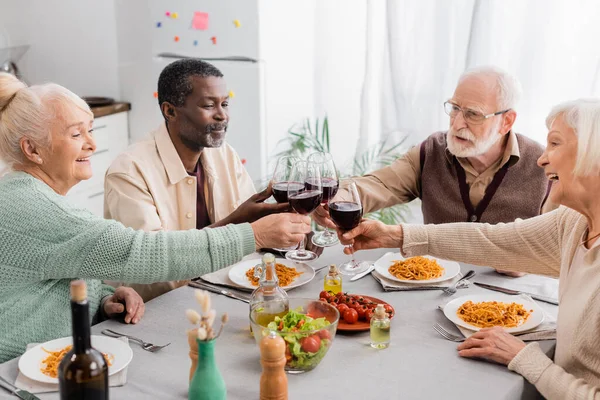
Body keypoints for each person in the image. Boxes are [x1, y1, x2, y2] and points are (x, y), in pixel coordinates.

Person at [0, 72, 310, 362]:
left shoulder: (23, 193)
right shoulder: (32, 204)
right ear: (32, 149)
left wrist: (104, 298)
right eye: (76, 134)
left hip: (51, 356)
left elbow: (48, 281)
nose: (92, 144)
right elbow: (141, 252)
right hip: (20, 372)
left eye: (90, 130)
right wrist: (252, 235)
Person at [337, 98, 600, 399]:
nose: (543, 159)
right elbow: (492, 240)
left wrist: (527, 359)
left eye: (555, 143)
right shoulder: (574, 222)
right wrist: (394, 235)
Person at [314, 66, 554, 276]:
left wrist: (523, 259)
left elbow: (551, 249)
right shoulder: (432, 152)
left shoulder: (544, 167)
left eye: (473, 114)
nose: (458, 123)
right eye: (455, 108)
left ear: (507, 121)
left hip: (513, 305)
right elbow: (380, 184)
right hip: (432, 292)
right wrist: (337, 199)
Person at [104, 58, 289, 301]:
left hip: (221, 295)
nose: (222, 116)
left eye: (225, 104)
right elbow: (150, 267)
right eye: (209, 106)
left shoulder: (224, 154)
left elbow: (253, 239)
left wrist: (287, 232)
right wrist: (237, 223)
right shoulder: (129, 171)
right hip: (154, 311)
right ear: (170, 111)